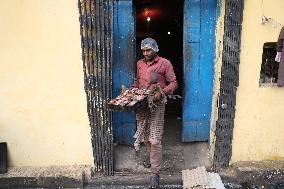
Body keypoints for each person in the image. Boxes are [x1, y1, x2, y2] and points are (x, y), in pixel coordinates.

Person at [132, 38, 178, 188]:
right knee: (145, 137)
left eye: (148, 50)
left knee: (155, 139)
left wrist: (162, 93)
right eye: (143, 51)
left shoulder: (165, 63)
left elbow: (173, 83)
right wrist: (133, 91)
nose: (145, 53)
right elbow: (138, 82)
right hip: (142, 105)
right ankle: (153, 159)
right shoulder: (139, 64)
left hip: (157, 105)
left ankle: (154, 174)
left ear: (155, 49)